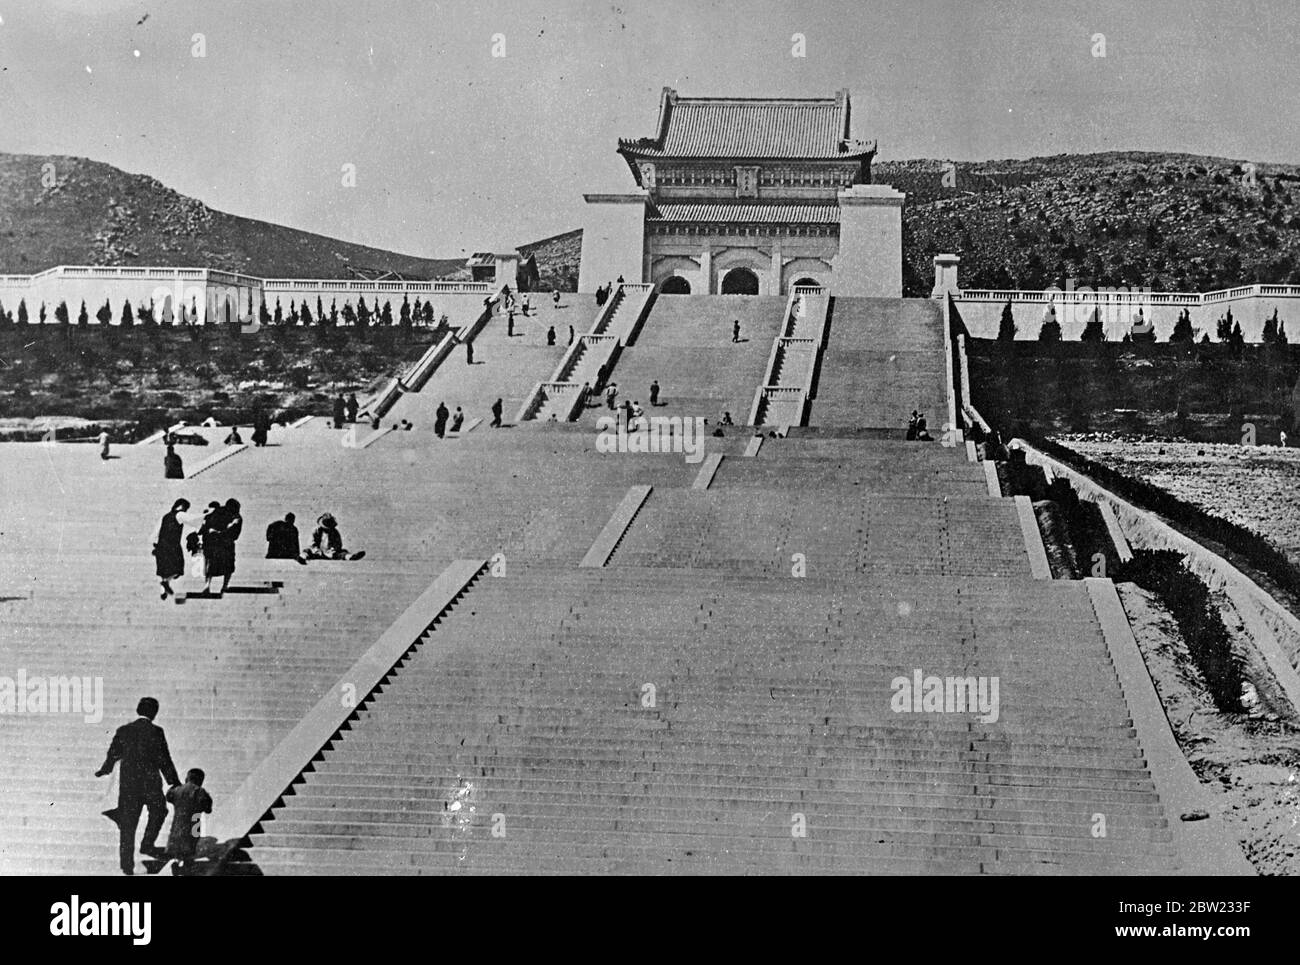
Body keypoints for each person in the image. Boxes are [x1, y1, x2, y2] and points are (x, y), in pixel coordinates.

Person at [94, 697, 180, 876]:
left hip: (129, 787)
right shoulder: (157, 731)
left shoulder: (124, 730)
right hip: (150, 785)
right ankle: (147, 844)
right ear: (154, 713)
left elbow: (113, 753)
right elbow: (164, 758)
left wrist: (105, 769)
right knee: (159, 811)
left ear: (137, 710)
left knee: (128, 826)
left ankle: (127, 866)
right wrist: (173, 781)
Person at [165, 768, 213, 876]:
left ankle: (177, 863)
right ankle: (187, 865)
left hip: (178, 822)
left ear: (187, 778)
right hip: (194, 821)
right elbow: (208, 809)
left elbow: (168, 796)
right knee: (192, 843)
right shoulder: (200, 791)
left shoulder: (178, 789)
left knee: (177, 844)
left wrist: (174, 785)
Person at [200, 498, 242, 596]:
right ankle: (224, 586)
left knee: (211, 565)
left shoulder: (216, 512)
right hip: (226, 543)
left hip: (214, 542)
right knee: (229, 565)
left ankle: (207, 585)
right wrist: (230, 526)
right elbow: (235, 535)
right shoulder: (236, 517)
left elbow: (207, 525)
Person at [153, 499, 189, 600]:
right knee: (178, 569)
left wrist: (155, 543)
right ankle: (164, 583)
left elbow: (157, 530)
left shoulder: (166, 516)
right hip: (173, 546)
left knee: (163, 570)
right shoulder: (180, 515)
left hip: (161, 545)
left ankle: (163, 590)